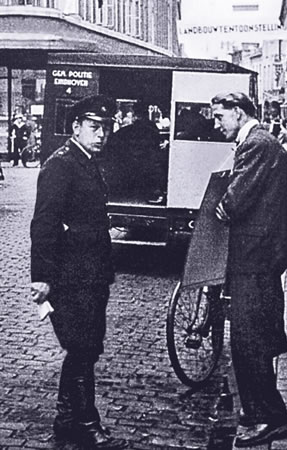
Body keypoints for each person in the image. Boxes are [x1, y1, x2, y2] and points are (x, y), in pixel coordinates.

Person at [30, 94, 125, 449]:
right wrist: (40, 275)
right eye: (94, 127)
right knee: (82, 347)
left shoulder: (86, 162)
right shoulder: (61, 164)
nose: (102, 134)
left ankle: (66, 420)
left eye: (106, 128)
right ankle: (85, 424)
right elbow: (44, 224)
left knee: (87, 347)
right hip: (71, 275)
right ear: (76, 127)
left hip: (93, 273)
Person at [210, 91, 287, 448]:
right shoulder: (259, 142)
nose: (216, 124)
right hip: (255, 257)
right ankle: (258, 410)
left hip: (255, 258)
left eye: (220, 117)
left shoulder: (257, 144)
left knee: (250, 341)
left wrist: (224, 204)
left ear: (240, 112)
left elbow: (234, 201)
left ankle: (268, 418)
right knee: (251, 338)